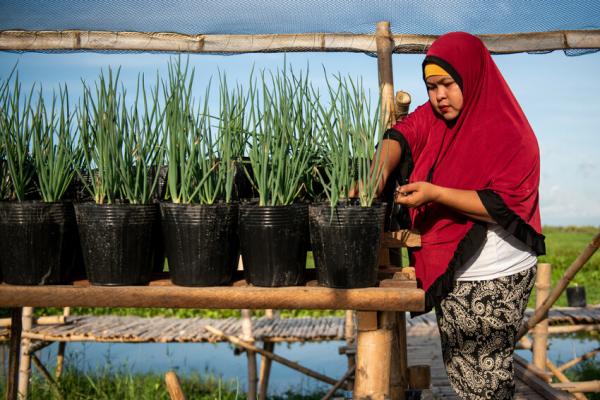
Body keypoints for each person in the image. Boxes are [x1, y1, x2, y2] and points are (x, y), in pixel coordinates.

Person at [375, 32, 546, 399]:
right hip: (456, 266)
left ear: (472, 76)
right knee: (463, 373)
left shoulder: (513, 136)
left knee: (485, 379)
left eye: (447, 84)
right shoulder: (436, 118)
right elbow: (402, 134)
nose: (438, 96)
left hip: (497, 271)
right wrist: (377, 174)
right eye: (431, 86)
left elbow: (504, 204)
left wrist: (436, 193)